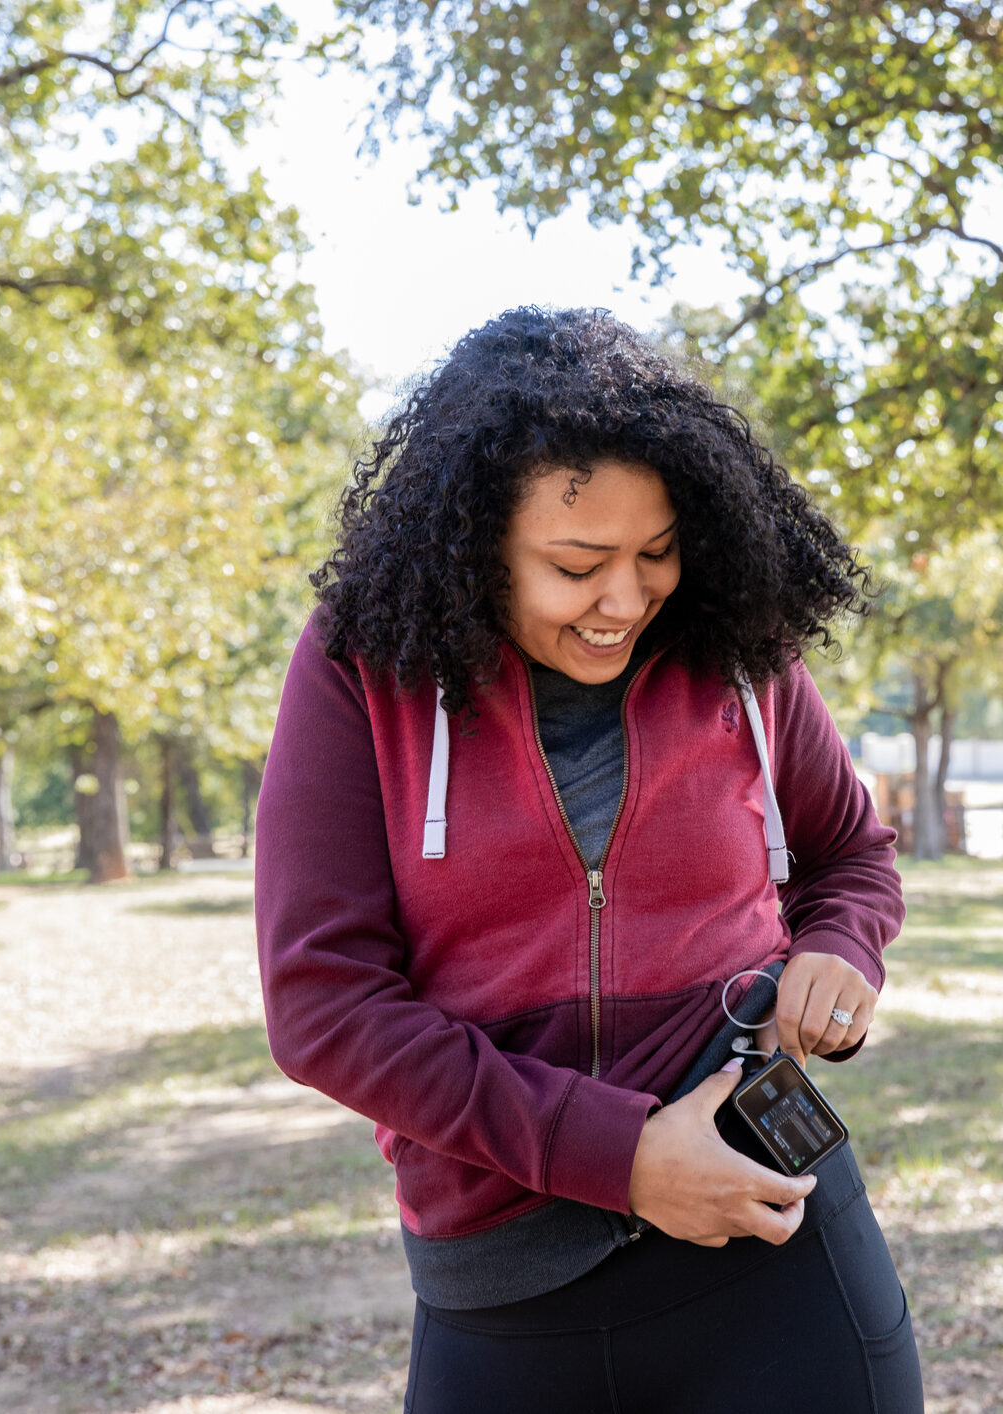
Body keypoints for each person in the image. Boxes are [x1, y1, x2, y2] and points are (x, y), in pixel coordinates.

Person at [255, 307, 924, 1412]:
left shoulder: (737, 650)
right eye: (577, 565)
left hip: (774, 1248)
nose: (625, 600)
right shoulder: (359, 667)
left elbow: (849, 851)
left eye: (656, 554)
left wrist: (841, 947)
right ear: (475, 546)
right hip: (505, 1284)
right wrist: (623, 1157)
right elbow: (324, 1004)